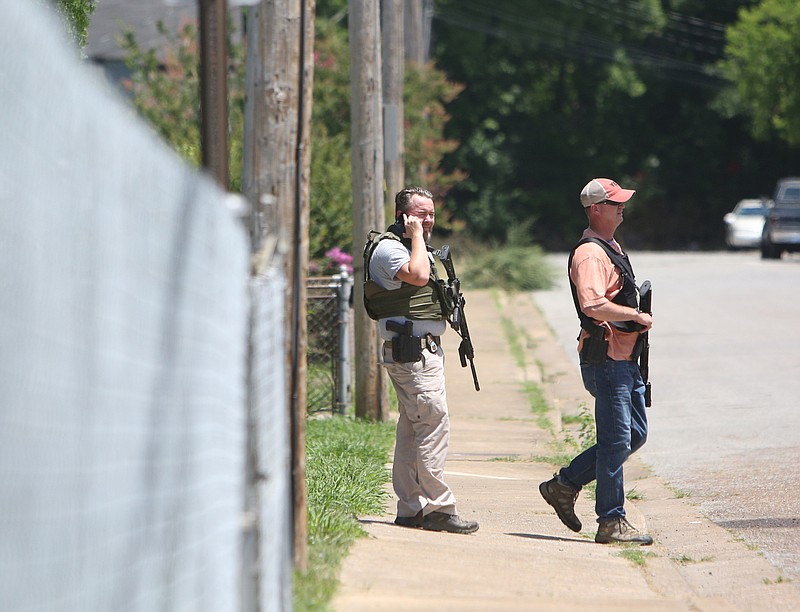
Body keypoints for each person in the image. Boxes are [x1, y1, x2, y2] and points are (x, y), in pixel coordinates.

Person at [539, 178, 653, 545]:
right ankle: (611, 521)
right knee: (618, 439)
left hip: (624, 358)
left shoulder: (609, 247)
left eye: (622, 202)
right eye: (615, 202)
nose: (622, 207)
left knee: (633, 435)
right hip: (606, 359)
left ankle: (565, 485)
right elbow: (591, 304)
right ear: (595, 209)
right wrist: (635, 317)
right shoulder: (590, 253)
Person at [363, 186, 479, 535]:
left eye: (430, 214)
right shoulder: (388, 249)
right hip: (410, 351)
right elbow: (418, 276)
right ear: (404, 215)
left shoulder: (413, 247)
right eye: (420, 214)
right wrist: (415, 237)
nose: (427, 221)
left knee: (414, 427)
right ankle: (439, 508)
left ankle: (410, 507)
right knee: (433, 422)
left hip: (421, 350)